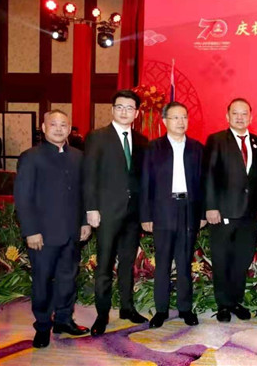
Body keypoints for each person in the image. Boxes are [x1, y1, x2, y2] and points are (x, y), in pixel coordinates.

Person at [14, 110, 91, 348]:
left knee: (68, 279)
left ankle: (64, 320)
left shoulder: (78, 156)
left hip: (72, 231)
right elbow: (23, 196)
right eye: (54, 124)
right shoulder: (31, 157)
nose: (59, 129)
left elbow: (85, 193)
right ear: (44, 128)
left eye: (63, 125)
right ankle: (42, 326)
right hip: (42, 234)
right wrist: (31, 230)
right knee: (42, 282)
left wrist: (85, 222)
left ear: (69, 129)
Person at [84, 90, 149, 336]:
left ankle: (127, 308)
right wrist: (91, 208)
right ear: (112, 110)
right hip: (107, 212)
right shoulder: (97, 137)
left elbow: (143, 179)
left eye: (130, 108)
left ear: (137, 113)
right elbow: (89, 175)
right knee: (104, 265)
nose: (124, 112)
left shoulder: (142, 140)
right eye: (120, 107)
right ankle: (102, 315)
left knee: (127, 264)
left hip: (133, 214)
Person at [141, 102, 206, 328]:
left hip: (188, 209)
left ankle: (185, 309)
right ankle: (161, 310)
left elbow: (203, 184)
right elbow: (145, 183)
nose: (180, 122)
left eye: (184, 117)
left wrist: (202, 213)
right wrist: (146, 216)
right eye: (175, 117)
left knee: (185, 262)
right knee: (163, 263)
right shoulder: (153, 148)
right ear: (164, 121)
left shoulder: (197, 148)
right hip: (162, 210)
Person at [203, 98, 257, 323]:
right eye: (235, 113)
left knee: (242, 259)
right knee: (222, 260)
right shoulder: (217, 140)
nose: (240, 117)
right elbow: (209, 174)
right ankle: (223, 305)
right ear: (227, 116)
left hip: (249, 215)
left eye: (244, 113)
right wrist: (211, 206)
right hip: (223, 212)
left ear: (251, 117)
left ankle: (235, 301)